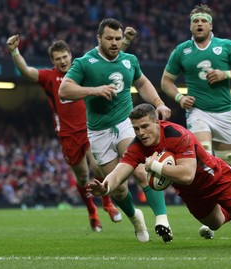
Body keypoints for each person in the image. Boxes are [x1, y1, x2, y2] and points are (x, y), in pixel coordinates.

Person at [87, 104, 231, 245]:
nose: (140, 133)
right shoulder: (137, 146)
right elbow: (119, 172)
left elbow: (187, 174)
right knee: (215, 224)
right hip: (191, 193)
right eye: (135, 129)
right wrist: (105, 187)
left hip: (216, 179)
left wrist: (154, 166)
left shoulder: (178, 134)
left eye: (144, 126)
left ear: (157, 122)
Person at [5, 27, 137, 232]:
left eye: (65, 56)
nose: (63, 61)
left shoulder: (82, 71)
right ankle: (92, 212)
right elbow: (27, 72)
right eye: (58, 58)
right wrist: (15, 52)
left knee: (98, 168)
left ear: (70, 55)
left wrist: (126, 40)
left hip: (90, 129)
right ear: (53, 61)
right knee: (83, 177)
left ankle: (108, 204)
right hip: (67, 135)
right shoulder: (50, 78)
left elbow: (112, 61)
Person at [58, 18, 173, 243]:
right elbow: (64, 90)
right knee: (117, 189)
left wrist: (159, 103)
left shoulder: (129, 60)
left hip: (125, 123)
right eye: (109, 38)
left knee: (141, 170)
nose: (114, 43)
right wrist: (94, 90)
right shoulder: (84, 62)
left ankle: (162, 220)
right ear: (99, 38)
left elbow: (142, 83)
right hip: (98, 131)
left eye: (118, 39)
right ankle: (135, 218)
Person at [161, 4, 231, 168]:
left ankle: (223, 193)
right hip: (198, 111)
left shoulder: (227, 46)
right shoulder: (181, 51)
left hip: (225, 112)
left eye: (204, 20)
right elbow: (166, 81)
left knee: (228, 163)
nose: (199, 24)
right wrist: (179, 97)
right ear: (190, 26)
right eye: (195, 21)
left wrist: (225, 74)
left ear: (211, 26)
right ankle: (203, 192)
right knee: (204, 155)